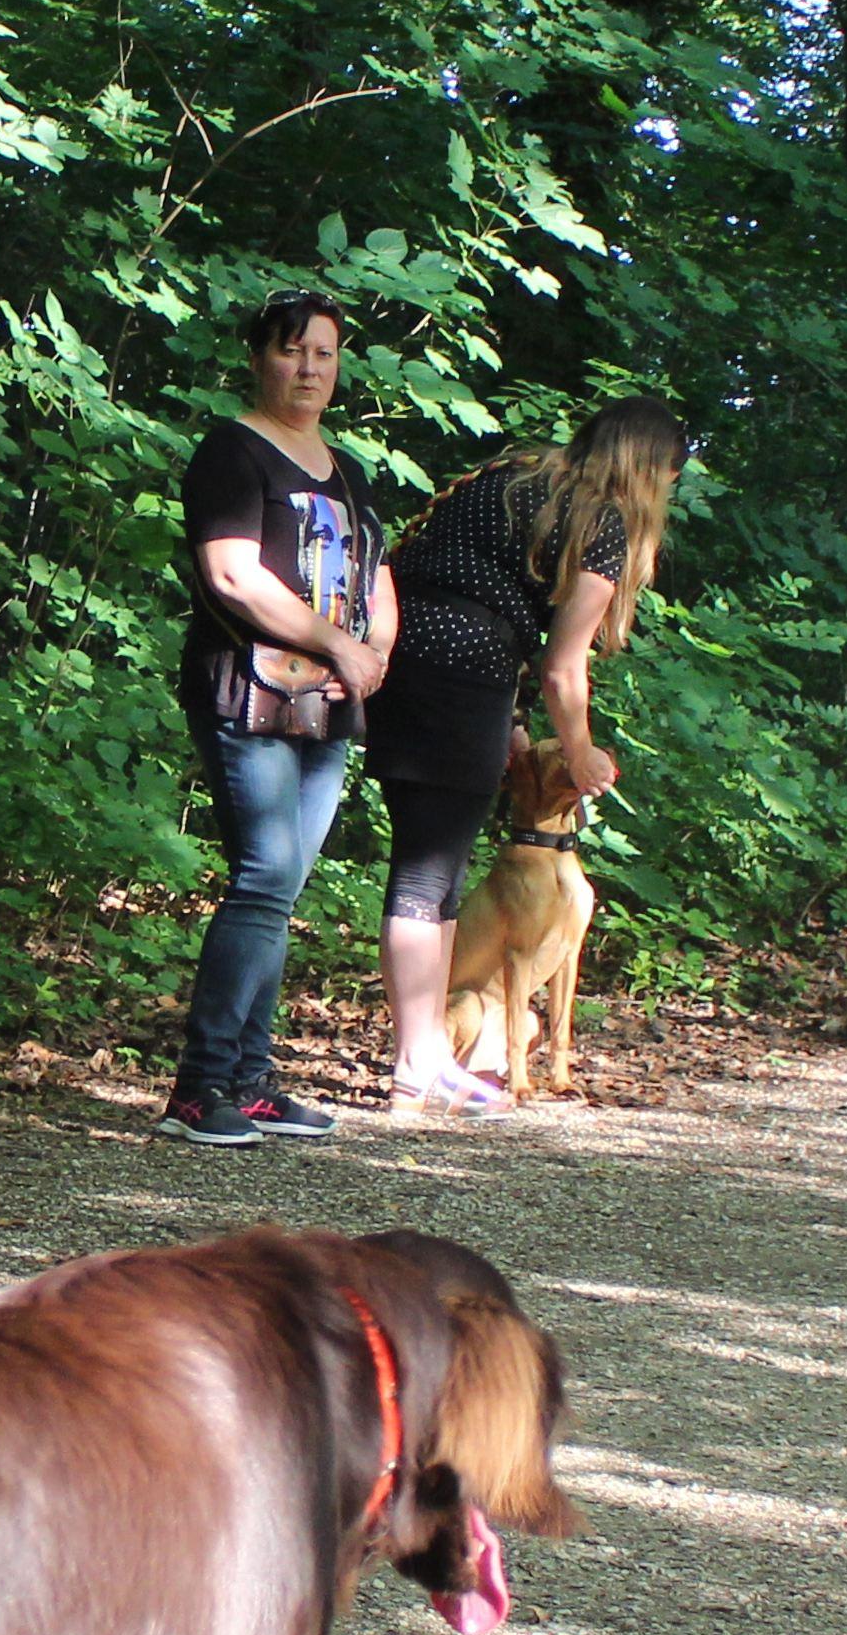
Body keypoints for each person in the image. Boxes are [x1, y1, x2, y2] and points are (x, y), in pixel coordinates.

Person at [360, 400, 690, 1113]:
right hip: (465, 671)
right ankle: (416, 1067)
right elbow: (563, 670)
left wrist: (506, 721)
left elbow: (444, 573)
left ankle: (428, 1056)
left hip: (396, 662)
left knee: (431, 868)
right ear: (651, 470)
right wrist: (581, 753)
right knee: (426, 880)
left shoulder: (510, 475)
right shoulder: (602, 523)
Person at [162, 294, 393, 1145]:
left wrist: (367, 659)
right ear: (260, 355)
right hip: (249, 692)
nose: (309, 369)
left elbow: (376, 576)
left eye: (325, 354)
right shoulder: (231, 452)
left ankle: (250, 1082)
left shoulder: (343, 467)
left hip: (326, 700)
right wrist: (340, 643)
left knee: (282, 888)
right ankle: (199, 1088)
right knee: (263, 875)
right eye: (294, 351)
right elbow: (231, 576)